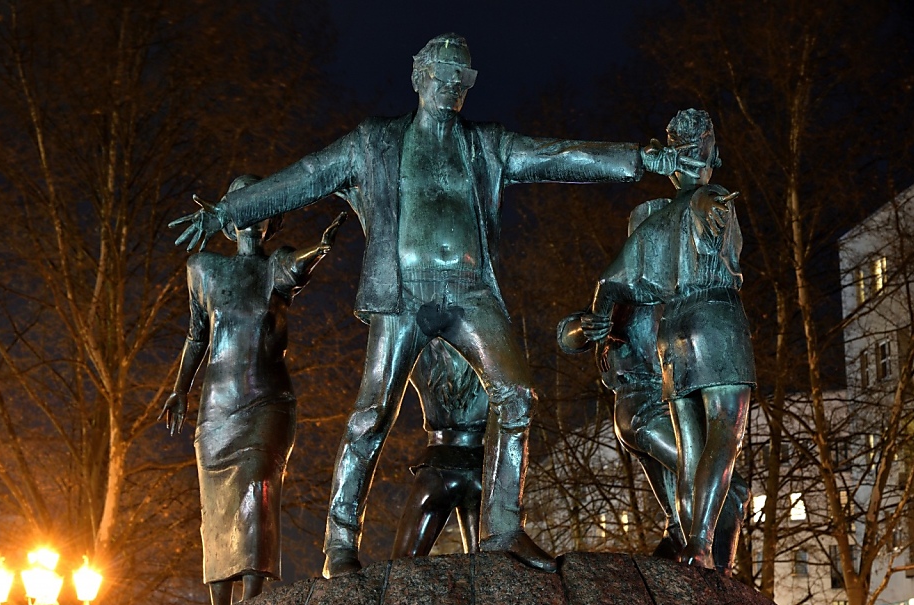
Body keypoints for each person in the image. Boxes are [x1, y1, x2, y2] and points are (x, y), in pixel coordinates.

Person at [175, 34, 704, 577]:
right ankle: (339, 543)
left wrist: (640, 159)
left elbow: (560, 154)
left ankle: (502, 528)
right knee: (372, 412)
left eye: (462, 79)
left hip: (471, 293)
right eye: (443, 76)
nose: (451, 87)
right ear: (418, 76)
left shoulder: (485, 144)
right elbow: (305, 178)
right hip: (405, 294)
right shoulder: (374, 142)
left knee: (517, 395)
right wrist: (225, 212)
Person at [581, 109, 755, 569]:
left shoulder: (655, 224)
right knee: (726, 430)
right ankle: (699, 544)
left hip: (673, 331)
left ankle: (691, 545)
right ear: (708, 149)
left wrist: (599, 319)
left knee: (691, 440)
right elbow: (717, 235)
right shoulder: (711, 199)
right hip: (715, 315)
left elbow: (610, 283)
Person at [161, 175, 343, 605]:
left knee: (257, 485)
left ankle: (252, 604)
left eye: (261, 211)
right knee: (218, 508)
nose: (252, 219)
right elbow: (196, 336)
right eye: (243, 209)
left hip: (268, 402)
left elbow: (298, 268)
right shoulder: (203, 269)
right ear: (230, 218)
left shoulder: (276, 265)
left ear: (270, 221)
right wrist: (178, 389)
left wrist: (319, 248)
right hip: (218, 408)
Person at [557, 196, 749, 574]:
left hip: (663, 408)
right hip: (643, 410)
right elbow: (569, 335)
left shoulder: (676, 292)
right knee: (718, 485)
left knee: (687, 516)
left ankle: (684, 578)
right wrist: (588, 326)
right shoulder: (631, 291)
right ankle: (718, 580)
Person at [392, 339, 486, 558]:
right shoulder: (490, 348)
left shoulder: (422, 351)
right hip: (481, 465)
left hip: (439, 466)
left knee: (403, 565)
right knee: (487, 567)